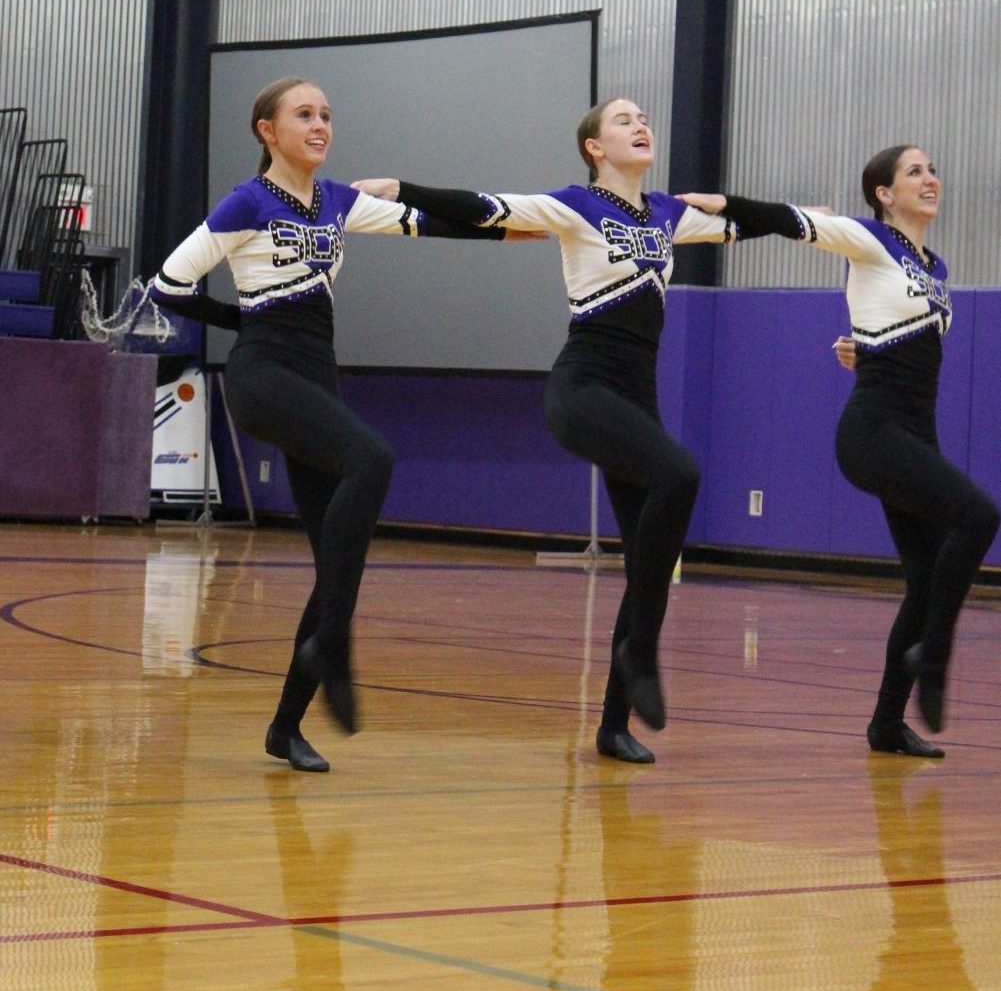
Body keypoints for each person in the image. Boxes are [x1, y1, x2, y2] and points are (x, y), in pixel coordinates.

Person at [353, 97, 744, 765]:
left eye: (643, 116)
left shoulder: (667, 216)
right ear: (594, 147)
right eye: (622, 120)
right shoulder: (573, 205)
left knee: (647, 561)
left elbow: (738, 226)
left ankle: (612, 723)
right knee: (679, 473)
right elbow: (484, 205)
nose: (640, 124)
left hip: (637, 399)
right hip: (584, 387)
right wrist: (401, 190)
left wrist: (805, 220)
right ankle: (640, 654)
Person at [150, 77, 513, 772]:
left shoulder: (339, 201)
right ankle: (333, 651)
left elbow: (429, 222)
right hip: (263, 375)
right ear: (267, 131)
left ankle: (285, 725)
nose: (319, 124)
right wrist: (241, 321)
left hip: (317, 376)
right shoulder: (247, 200)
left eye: (325, 115)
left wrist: (516, 227)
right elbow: (168, 281)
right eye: (303, 114)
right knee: (372, 459)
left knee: (334, 561)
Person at [680, 146, 1000, 753]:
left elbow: (894, 336)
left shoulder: (935, 267)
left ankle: (886, 723)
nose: (930, 178)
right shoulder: (868, 240)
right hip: (874, 433)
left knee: (927, 579)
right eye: (914, 171)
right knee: (980, 514)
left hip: (913, 432)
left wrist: (866, 350)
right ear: (883, 193)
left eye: (932, 169)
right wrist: (723, 204)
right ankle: (934, 657)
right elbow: (790, 222)